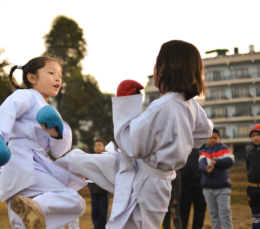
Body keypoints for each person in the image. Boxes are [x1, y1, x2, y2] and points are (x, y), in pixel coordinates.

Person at [57, 40, 213, 228]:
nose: (155, 68)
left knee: (133, 225)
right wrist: (180, 140)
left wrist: (127, 104)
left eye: (158, 62)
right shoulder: (191, 105)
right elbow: (204, 133)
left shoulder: (163, 105)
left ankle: (45, 185)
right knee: (83, 161)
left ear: (170, 66)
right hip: (155, 178)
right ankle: (46, 187)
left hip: (145, 180)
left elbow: (131, 146)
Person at [0, 56, 87, 229]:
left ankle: (32, 207)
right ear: (32, 78)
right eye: (51, 73)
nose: (58, 78)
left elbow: (58, 151)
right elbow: (5, 113)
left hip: (35, 168)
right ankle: (36, 206)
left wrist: (56, 134)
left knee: (30, 224)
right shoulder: (25, 95)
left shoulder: (51, 110)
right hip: (22, 161)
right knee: (74, 201)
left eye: (60, 75)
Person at [199, 128, 234, 229]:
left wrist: (216, 162)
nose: (212, 140)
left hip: (223, 187)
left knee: (225, 213)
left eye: (215, 138)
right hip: (208, 189)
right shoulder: (203, 152)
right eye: (210, 138)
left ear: (219, 138)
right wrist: (206, 168)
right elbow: (201, 166)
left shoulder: (225, 149)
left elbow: (230, 161)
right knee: (213, 214)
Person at [179, 146, 207, 229]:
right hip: (184, 185)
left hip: (199, 185)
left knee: (200, 210)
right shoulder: (183, 145)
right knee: (183, 211)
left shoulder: (204, 147)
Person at [88, 139, 110, 229]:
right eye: (96, 145)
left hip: (104, 192)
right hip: (94, 192)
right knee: (95, 212)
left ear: (104, 147)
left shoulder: (108, 159)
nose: (97, 147)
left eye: (99, 145)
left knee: (103, 213)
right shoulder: (91, 159)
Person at [246, 124, 260, 229]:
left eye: (258, 135)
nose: (255, 137)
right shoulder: (249, 152)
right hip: (252, 188)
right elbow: (248, 167)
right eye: (253, 135)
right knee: (255, 214)